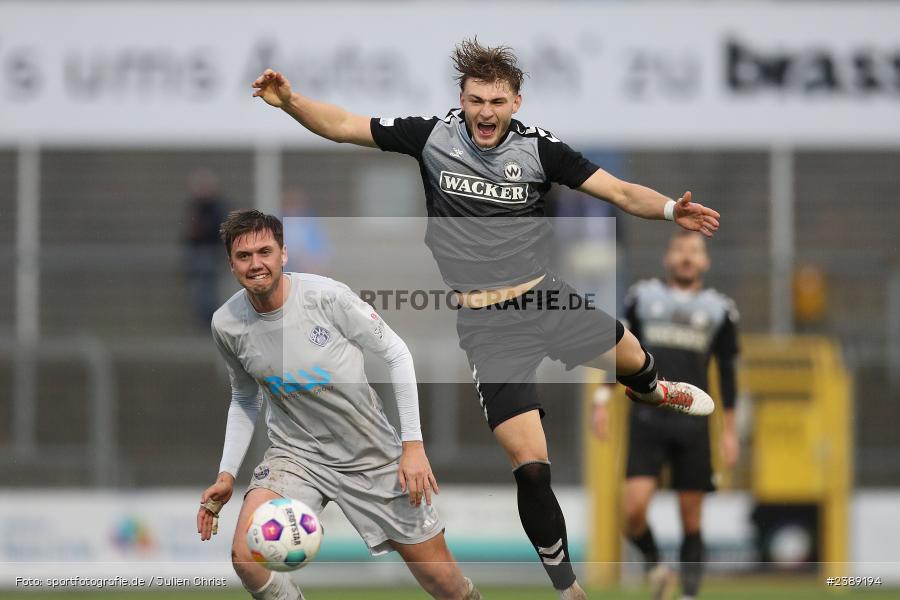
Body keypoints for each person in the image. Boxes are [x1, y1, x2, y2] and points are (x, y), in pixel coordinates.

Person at [250, 38, 721, 600]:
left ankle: (648, 388)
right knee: (531, 466)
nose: (486, 112)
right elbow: (345, 124)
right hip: (488, 327)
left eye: (497, 101)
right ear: (462, 98)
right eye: (476, 100)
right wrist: (290, 101)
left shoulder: (540, 150)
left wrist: (671, 209)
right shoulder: (433, 137)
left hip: (545, 299)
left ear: (516, 103)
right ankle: (569, 590)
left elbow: (618, 191)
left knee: (636, 360)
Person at [196, 210, 480, 600]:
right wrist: (227, 474)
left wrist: (412, 446)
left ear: (284, 255)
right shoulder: (226, 323)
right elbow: (245, 396)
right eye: (244, 256)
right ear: (231, 264)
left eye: (265, 252)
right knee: (246, 556)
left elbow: (397, 353)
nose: (256, 264)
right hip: (297, 455)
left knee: (450, 589)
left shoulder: (327, 297)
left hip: (370, 454)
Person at [592, 230, 741, 600]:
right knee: (633, 510)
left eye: (694, 251)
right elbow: (620, 352)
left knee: (691, 518)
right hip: (648, 419)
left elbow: (727, 372)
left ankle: (688, 595)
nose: (687, 256)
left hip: (693, 423)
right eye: (680, 249)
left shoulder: (720, 310)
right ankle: (657, 566)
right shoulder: (643, 299)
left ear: (705, 261)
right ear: (667, 258)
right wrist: (601, 398)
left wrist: (731, 431)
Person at [184, 168, 229, 326]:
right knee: (202, 288)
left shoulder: (218, 207)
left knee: (210, 287)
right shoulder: (195, 207)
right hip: (201, 255)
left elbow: (219, 229)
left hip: (211, 255)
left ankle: (211, 316)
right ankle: (205, 317)